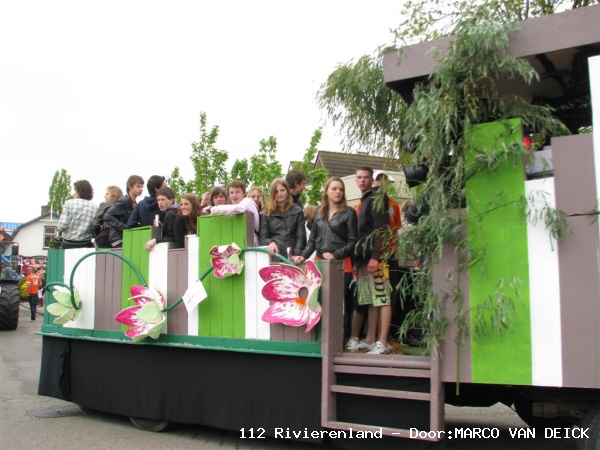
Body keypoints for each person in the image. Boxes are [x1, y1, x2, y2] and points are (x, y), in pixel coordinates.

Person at [292, 177, 357, 342]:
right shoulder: (319, 212)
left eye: (341, 189)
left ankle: (341, 340)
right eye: (334, 189)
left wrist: (336, 254)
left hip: (341, 264)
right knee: (319, 300)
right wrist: (303, 255)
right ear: (326, 191)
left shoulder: (349, 213)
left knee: (341, 304)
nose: (338, 192)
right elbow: (313, 241)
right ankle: (322, 339)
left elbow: (353, 242)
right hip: (320, 264)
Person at [347, 167, 392, 355]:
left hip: (375, 258)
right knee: (371, 300)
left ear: (372, 179)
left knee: (382, 298)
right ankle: (370, 339)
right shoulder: (365, 199)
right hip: (362, 259)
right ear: (355, 179)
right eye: (359, 177)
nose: (362, 180)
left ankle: (382, 343)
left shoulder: (378, 198)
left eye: (366, 177)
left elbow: (382, 230)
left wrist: (376, 256)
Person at [259, 179, 306, 258]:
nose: (280, 194)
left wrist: (297, 255)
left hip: (292, 255)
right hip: (274, 256)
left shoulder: (297, 211)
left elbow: (301, 236)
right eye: (276, 191)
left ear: (287, 191)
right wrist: (270, 242)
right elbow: (263, 238)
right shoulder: (266, 213)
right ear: (273, 194)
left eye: (282, 190)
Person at [210, 181, 260, 245]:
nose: (234, 195)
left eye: (237, 192)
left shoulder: (248, 202)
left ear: (244, 193)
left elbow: (239, 209)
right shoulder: (236, 205)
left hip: (252, 245)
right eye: (231, 193)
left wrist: (213, 209)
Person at [104, 175, 145, 248]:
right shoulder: (124, 201)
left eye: (142, 187)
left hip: (127, 237)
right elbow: (107, 216)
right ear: (130, 187)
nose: (141, 189)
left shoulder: (135, 203)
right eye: (138, 186)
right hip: (118, 239)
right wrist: (124, 227)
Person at [58, 180, 96, 249]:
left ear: (79, 191)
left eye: (75, 190)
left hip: (68, 245)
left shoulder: (68, 203)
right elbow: (94, 229)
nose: (74, 193)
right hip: (86, 245)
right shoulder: (95, 207)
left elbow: (62, 226)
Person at [145, 187, 179, 251]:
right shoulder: (174, 212)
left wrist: (155, 240)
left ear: (172, 200)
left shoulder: (170, 214)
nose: (160, 203)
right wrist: (163, 226)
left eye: (163, 199)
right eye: (158, 200)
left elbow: (172, 238)